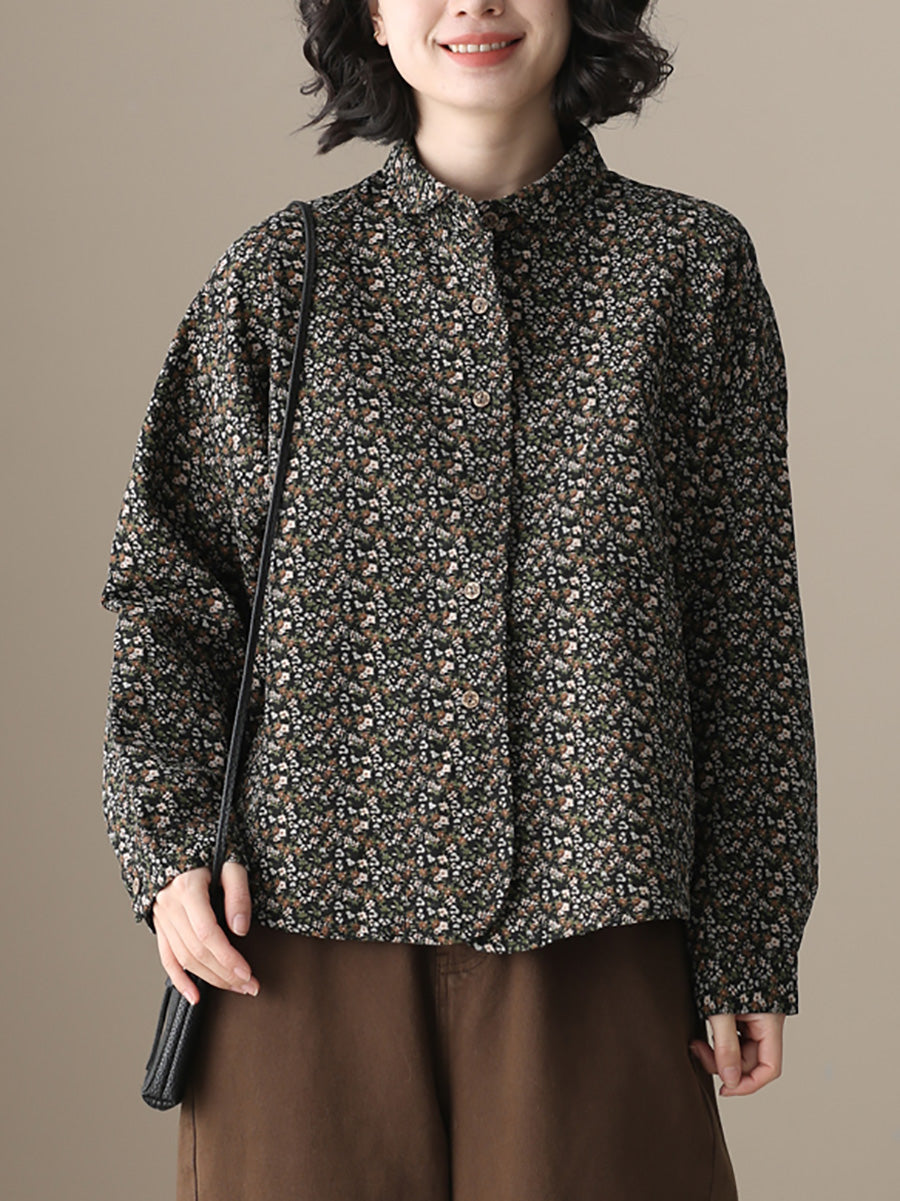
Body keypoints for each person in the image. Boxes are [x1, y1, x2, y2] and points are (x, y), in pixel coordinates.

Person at [99, 1, 818, 1197]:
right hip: (297, 936)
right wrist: (170, 851)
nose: (474, 3)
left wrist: (750, 934)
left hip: (599, 916)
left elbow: (743, 626)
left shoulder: (689, 270)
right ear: (373, 14)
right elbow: (171, 591)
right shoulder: (282, 277)